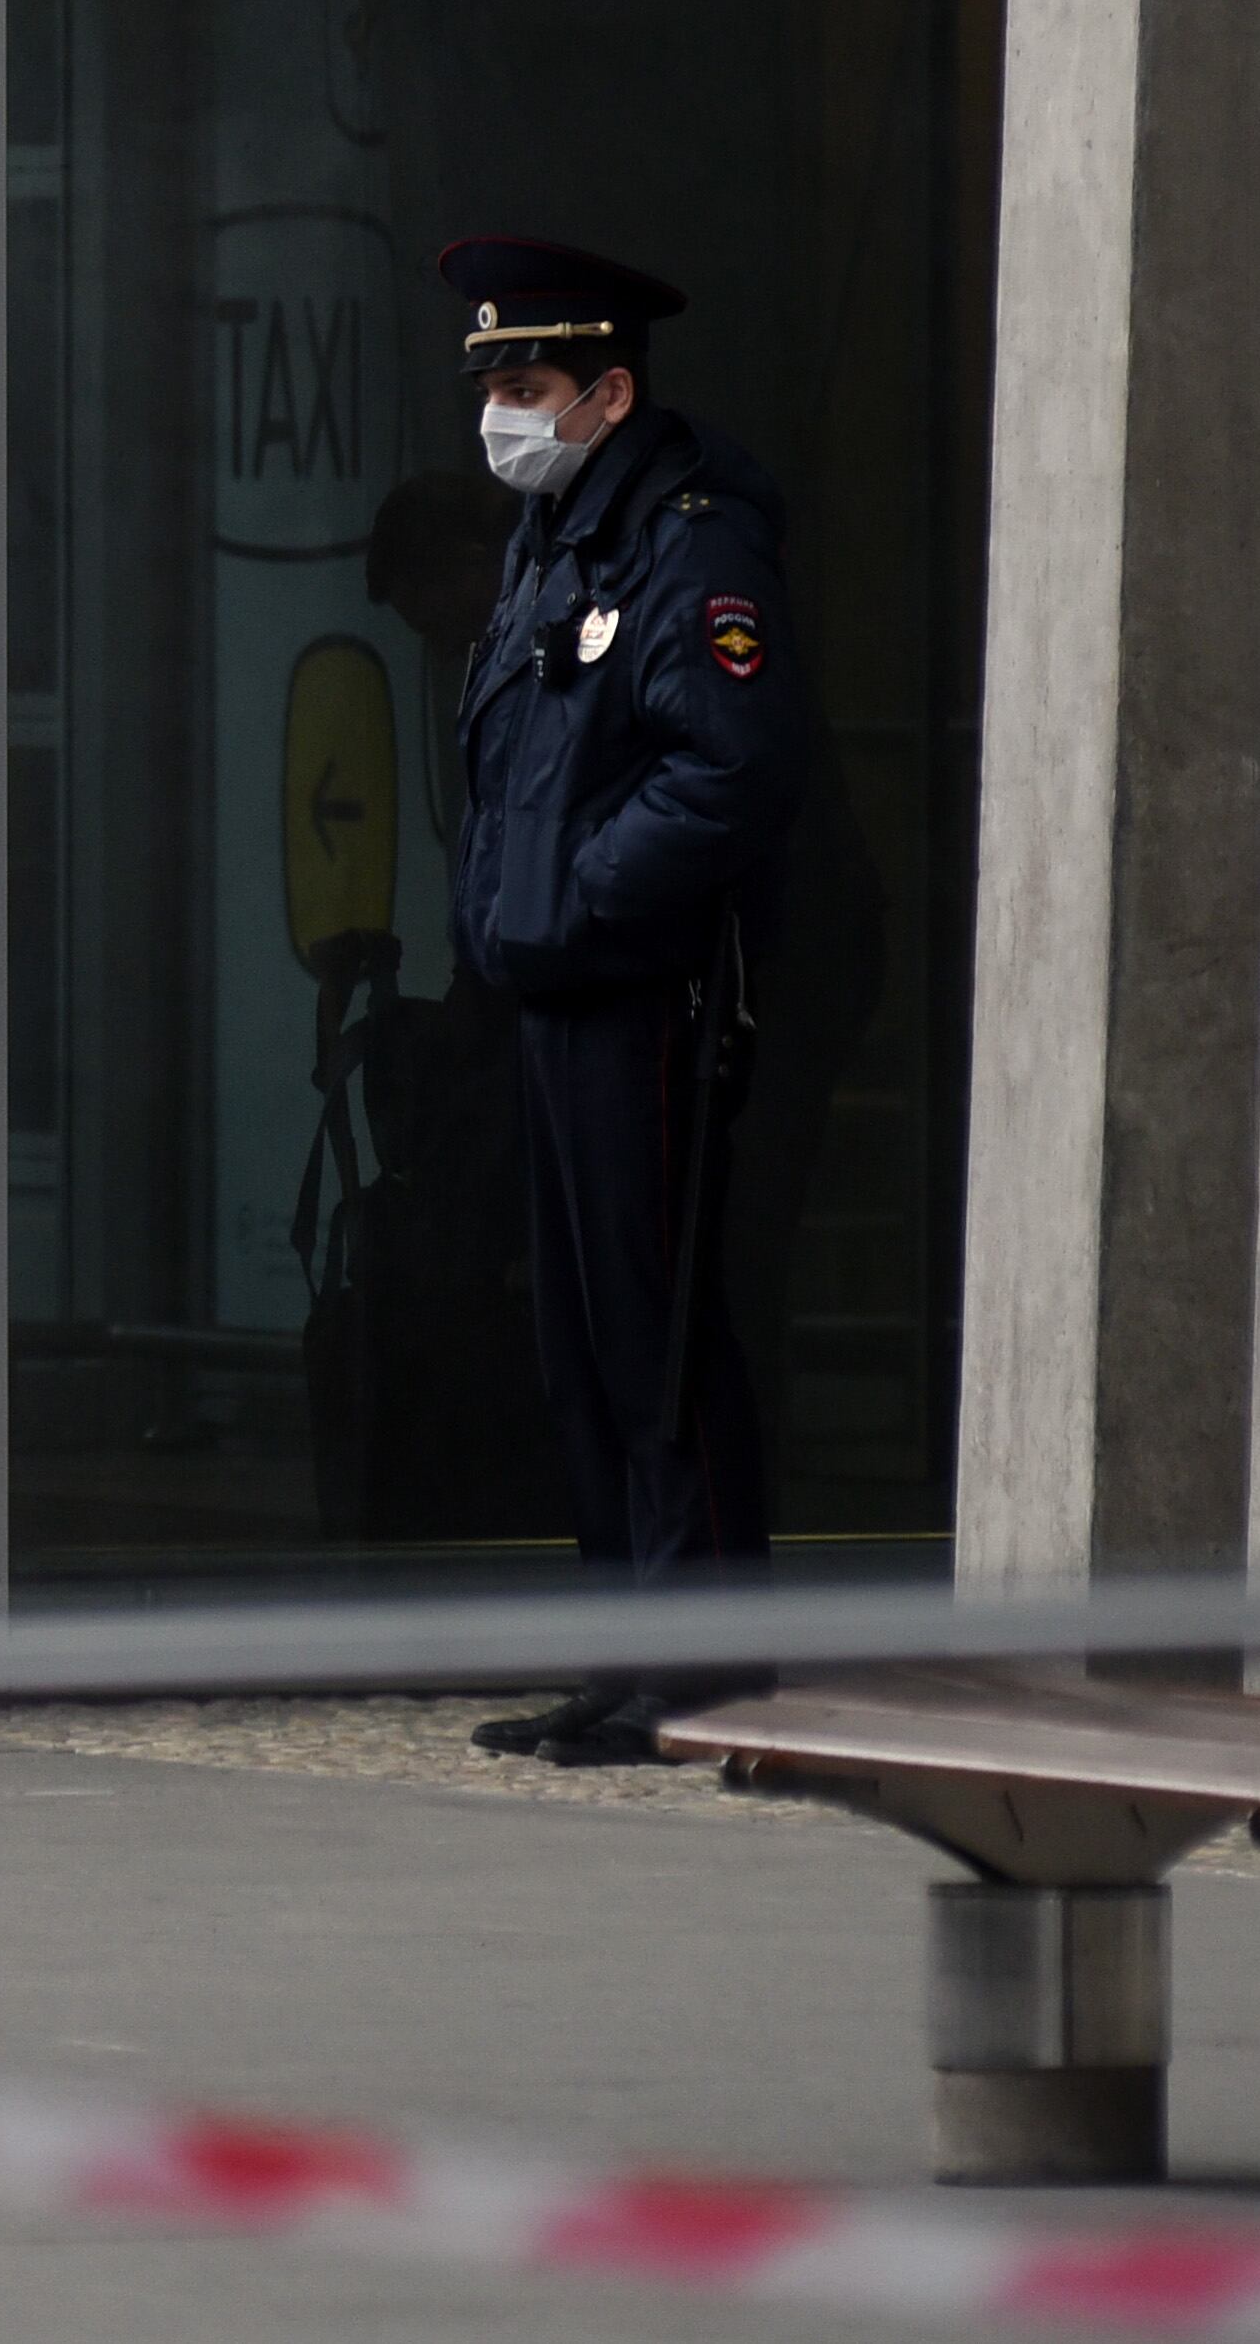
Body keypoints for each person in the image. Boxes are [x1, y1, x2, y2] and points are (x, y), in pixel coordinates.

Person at [433, 237, 805, 1769]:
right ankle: (625, 1654)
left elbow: (728, 769)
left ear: (608, 390)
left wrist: (579, 889)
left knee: (654, 1337)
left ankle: (702, 1668)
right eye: (494, 385)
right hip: (557, 990)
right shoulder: (558, 538)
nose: (502, 412)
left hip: (641, 995)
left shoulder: (686, 543)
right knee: (580, 1343)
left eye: (527, 385)